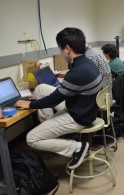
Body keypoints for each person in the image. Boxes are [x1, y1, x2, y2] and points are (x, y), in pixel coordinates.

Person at [14, 27, 103, 170]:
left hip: (78, 116)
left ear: (67, 48)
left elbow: (53, 100)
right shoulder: (88, 63)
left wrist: (29, 104)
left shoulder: (76, 73)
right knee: (41, 88)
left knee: (31, 138)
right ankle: (52, 129)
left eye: (60, 49)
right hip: (86, 108)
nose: (60, 53)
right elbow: (59, 94)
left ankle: (77, 147)